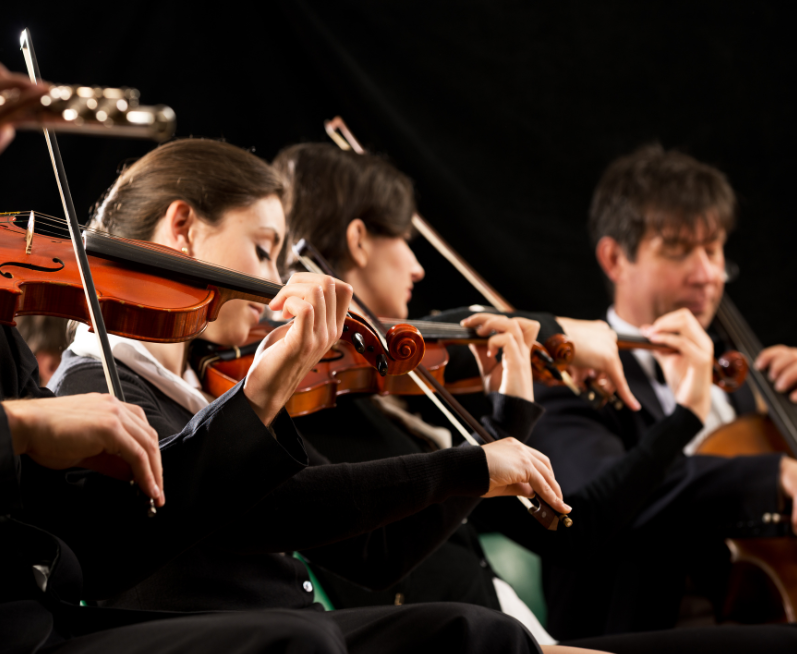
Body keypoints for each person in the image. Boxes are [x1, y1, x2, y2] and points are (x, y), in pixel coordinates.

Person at [0, 0, 361, 652]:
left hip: (35, 625)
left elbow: (98, 541)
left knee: (458, 634)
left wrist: (257, 396)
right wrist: (11, 428)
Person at [49, 137, 588, 654]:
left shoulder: (200, 388)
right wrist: (468, 465)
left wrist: (501, 433)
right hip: (261, 645)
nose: (275, 279)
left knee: (482, 634)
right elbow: (278, 509)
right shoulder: (92, 388)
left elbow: (377, 554)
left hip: (303, 635)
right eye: (263, 250)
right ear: (183, 226)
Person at [273, 141, 797, 653]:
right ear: (360, 241)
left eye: (715, 250)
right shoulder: (311, 406)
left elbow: (560, 525)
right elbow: (390, 553)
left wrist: (510, 419)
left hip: (506, 628)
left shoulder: (397, 413)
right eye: (407, 240)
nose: (418, 267)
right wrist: (558, 335)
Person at [529, 144, 797, 638]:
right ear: (614, 258)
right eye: (677, 249)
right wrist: (774, 473)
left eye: (714, 249)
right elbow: (600, 500)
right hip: (637, 633)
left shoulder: (745, 383)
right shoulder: (563, 375)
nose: (707, 275)